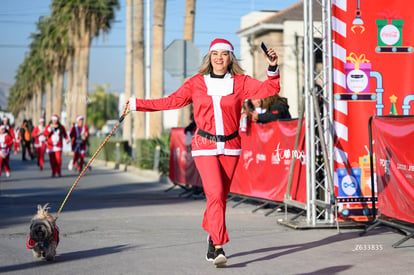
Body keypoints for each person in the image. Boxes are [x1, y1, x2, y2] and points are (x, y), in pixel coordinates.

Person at [126, 38, 280, 267]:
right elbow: (171, 102)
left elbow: (270, 88)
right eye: (215, 54)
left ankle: (211, 238)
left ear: (230, 58)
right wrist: (138, 104)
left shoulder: (240, 82)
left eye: (224, 54)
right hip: (204, 145)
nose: (219, 58)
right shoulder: (196, 83)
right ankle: (219, 246)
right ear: (209, 58)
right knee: (216, 193)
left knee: (219, 198)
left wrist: (272, 68)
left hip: (231, 146)